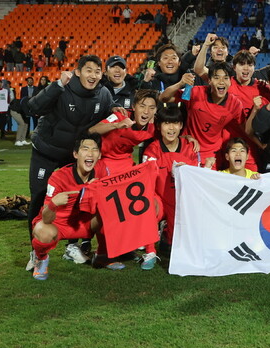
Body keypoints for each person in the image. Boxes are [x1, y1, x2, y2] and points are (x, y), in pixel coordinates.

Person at [23, 54, 114, 263]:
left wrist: (116, 111)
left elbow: (108, 116)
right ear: (78, 72)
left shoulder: (104, 94)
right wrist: (55, 86)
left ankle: (71, 246)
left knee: (81, 199)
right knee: (38, 198)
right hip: (46, 150)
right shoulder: (62, 86)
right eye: (88, 70)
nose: (93, 75)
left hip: (73, 155)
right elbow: (33, 108)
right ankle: (36, 252)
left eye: (97, 71)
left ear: (102, 74)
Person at [29, 136, 106, 281]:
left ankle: (103, 255)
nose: (90, 153)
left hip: (83, 224)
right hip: (59, 224)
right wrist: (54, 204)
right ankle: (41, 258)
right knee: (43, 231)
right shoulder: (59, 177)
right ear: (76, 154)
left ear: (100, 155)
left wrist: (100, 191)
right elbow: (46, 218)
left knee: (112, 216)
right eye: (85, 149)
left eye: (95, 149)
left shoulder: (103, 173)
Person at [160, 62, 244, 170]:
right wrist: (180, 83)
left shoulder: (235, 104)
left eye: (226, 78)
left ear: (230, 82)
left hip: (212, 155)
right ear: (209, 80)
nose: (221, 82)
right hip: (188, 149)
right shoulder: (196, 93)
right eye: (217, 77)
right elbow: (164, 98)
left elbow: (245, 129)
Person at [142, 105, 200, 247]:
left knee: (177, 243)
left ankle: (165, 231)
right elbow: (146, 182)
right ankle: (149, 248)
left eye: (175, 123)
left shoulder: (191, 148)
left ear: (181, 126)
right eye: (166, 123)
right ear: (159, 126)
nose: (171, 128)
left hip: (182, 200)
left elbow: (197, 179)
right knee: (149, 206)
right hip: (160, 199)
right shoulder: (152, 151)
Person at [87, 89, 159, 174]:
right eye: (142, 106)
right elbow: (91, 130)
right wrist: (116, 125)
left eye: (151, 108)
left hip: (124, 160)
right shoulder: (120, 116)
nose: (146, 111)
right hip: (103, 157)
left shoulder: (153, 128)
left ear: (155, 110)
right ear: (133, 107)